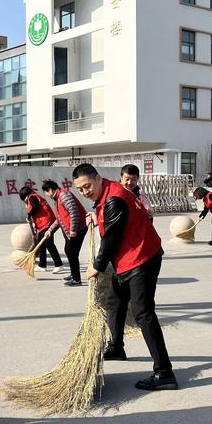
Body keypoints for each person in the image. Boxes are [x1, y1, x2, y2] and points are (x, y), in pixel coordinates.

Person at [73, 163, 177, 391]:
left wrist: (97, 266)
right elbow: (110, 220)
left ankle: (164, 372)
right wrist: (95, 216)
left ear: (98, 178)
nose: (85, 191)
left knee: (143, 313)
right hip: (128, 259)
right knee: (116, 301)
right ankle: (117, 347)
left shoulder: (114, 198)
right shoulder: (109, 193)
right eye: (80, 189)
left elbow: (111, 239)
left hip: (142, 259)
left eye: (87, 186)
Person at [42, 180, 87, 286]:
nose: (47, 195)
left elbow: (74, 211)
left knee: (72, 252)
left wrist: (73, 229)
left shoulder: (64, 195)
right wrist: (50, 230)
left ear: (50, 190)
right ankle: (73, 274)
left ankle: (76, 279)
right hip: (71, 230)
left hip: (78, 228)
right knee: (69, 250)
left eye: (46, 192)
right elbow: (59, 219)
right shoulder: (57, 198)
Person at [19, 186, 64, 273]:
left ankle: (59, 264)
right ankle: (42, 265)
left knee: (49, 244)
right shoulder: (33, 197)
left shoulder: (32, 197)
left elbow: (35, 207)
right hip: (43, 224)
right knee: (41, 244)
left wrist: (29, 214)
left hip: (47, 223)